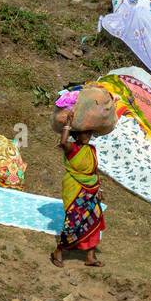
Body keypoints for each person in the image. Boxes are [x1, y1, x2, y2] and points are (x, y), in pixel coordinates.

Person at [51, 84, 118, 268]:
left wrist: (99, 188)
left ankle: (90, 257)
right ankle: (59, 251)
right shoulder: (72, 148)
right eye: (83, 134)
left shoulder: (91, 150)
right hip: (76, 189)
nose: (86, 137)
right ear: (77, 135)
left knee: (94, 220)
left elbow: (94, 170)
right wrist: (68, 123)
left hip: (92, 190)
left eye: (89, 134)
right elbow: (62, 141)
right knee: (73, 222)